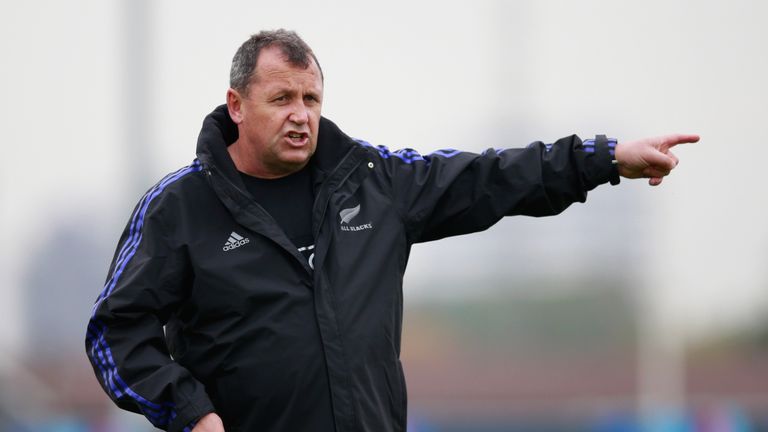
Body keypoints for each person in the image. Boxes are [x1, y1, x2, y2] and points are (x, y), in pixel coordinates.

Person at [85, 29, 699, 432]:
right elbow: (114, 336)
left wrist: (605, 158)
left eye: (311, 98)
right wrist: (191, 412)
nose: (301, 116)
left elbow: (490, 177)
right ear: (237, 105)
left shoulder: (373, 181)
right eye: (281, 100)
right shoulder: (179, 208)